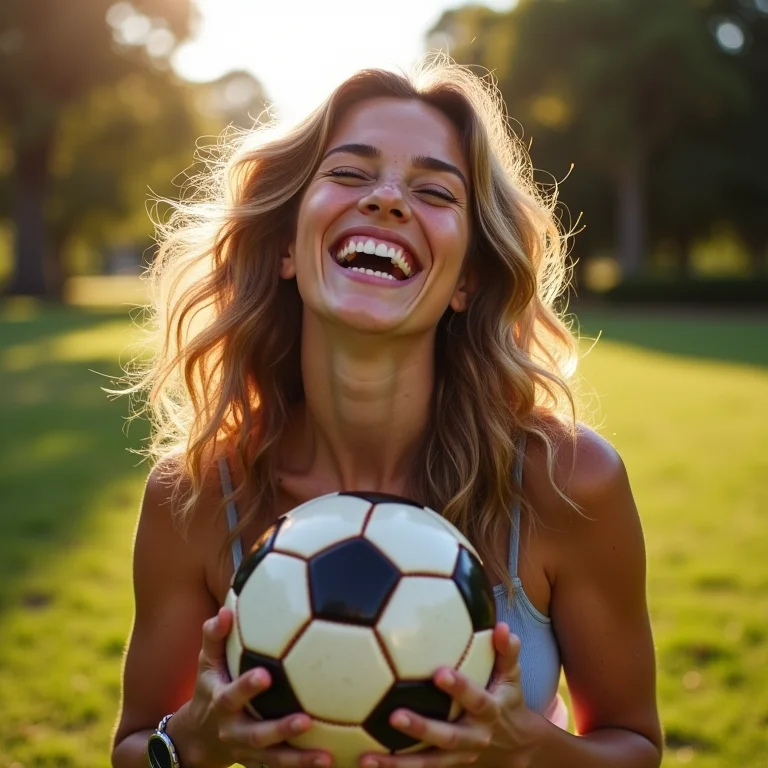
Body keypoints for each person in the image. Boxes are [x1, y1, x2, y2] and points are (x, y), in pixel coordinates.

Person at [111, 57, 662, 768]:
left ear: (466, 278)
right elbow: (133, 746)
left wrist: (524, 750)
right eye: (348, 173)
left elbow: (636, 745)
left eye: (434, 189)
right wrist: (189, 741)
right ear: (286, 245)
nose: (387, 200)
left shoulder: (568, 483)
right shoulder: (193, 497)